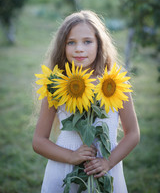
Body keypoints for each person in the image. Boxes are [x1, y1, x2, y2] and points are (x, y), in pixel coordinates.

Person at [32, 10, 140, 193]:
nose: (79, 49)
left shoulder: (114, 84)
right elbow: (38, 141)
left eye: (87, 41)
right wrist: (71, 156)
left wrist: (108, 162)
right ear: (62, 47)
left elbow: (133, 134)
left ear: (99, 44)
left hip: (105, 171)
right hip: (64, 171)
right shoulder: (55, 87)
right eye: (71, 42)